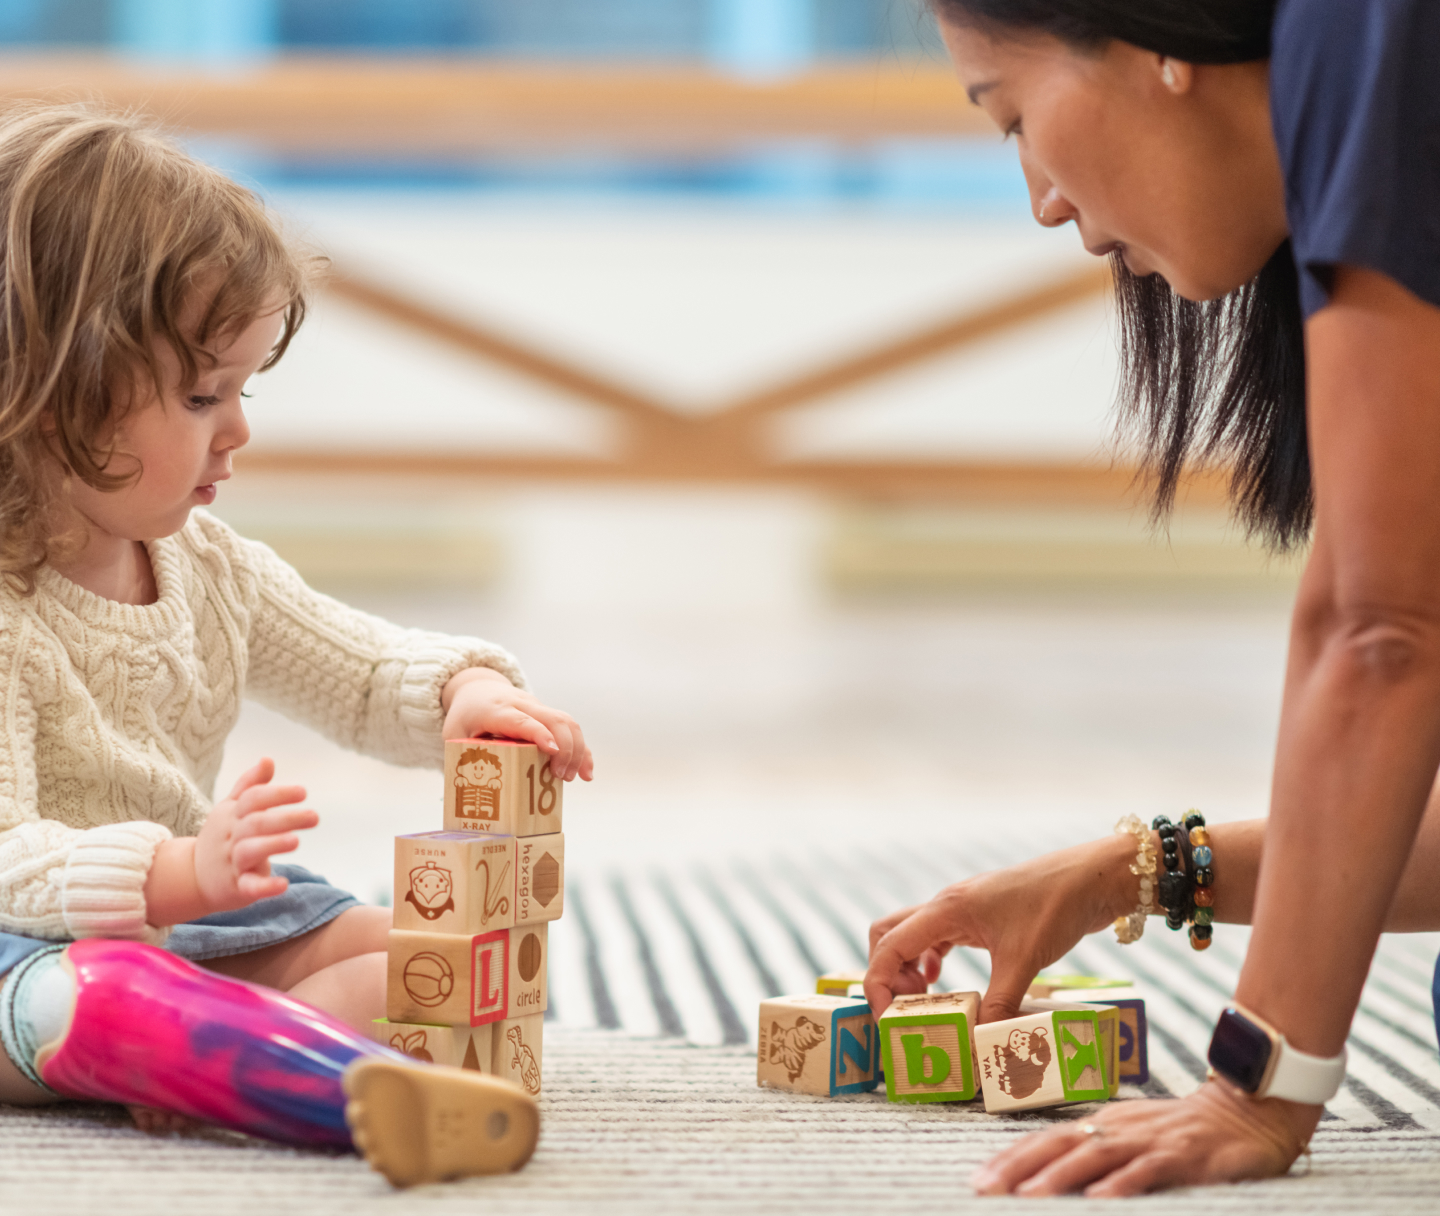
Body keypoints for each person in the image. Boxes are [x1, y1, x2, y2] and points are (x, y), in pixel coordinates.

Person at [864, 0, 1440, 1197]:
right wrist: (1133, 870)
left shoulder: (1372, 34)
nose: (1044, 201)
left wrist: (1257, 1087)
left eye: (1011, 114)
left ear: (1157, 48)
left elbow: (1383, 632)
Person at [0, 103, 593, 1186]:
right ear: (53, 395)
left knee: (429, 955)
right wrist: (177, 871)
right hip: (33, 940)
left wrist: (463, 692)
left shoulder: (208, 568)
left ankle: (238, 1051)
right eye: (201, 393)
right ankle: (274, 1069)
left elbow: (361, 669)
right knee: (79, 999)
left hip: (204, 909)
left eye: (244, 389)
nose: (238, 430)